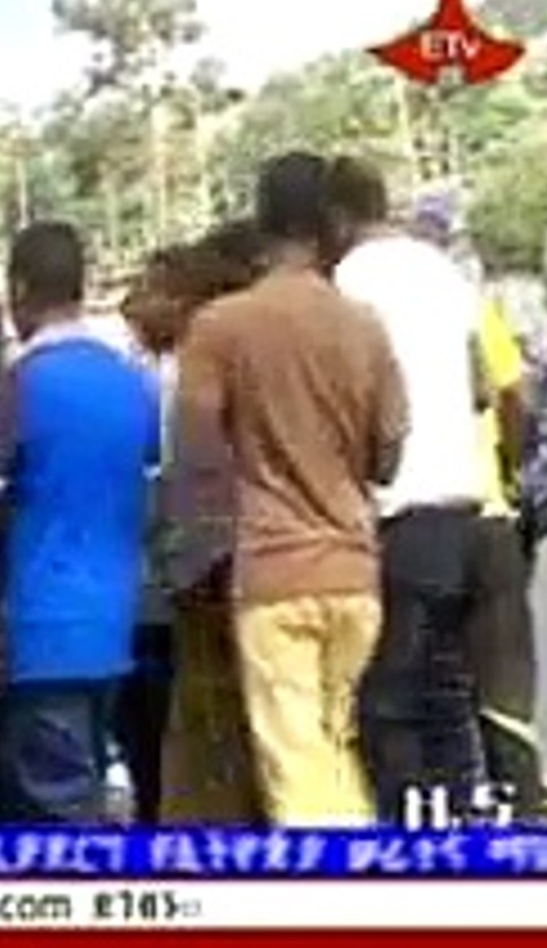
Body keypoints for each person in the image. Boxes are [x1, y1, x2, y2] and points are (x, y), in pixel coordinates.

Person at [176, 152, 408, 826]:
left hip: (273, 576)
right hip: (356, 574)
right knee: (333, 752)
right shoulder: (364, 326)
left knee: (296, 771)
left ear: (262, 222)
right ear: (330, 224)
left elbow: (193, 454)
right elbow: (389, 458)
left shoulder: (221, 327)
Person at [0, 221, 159, 822]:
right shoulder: (135, 383)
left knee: (54, 809)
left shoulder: (18, 384)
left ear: (19, 288)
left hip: (40, 631)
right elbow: (151, 500)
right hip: (115, 626)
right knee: (83, 786)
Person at [328, 166, 490, 824]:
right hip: (463, 503)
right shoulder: (442, 271)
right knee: (447, 689)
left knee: (387, 699)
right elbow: (480, 384)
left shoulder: (349, 282)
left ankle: (403, 844)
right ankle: (463, 825)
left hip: (396, 507)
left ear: (336, 219)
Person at [412, 204, 547, 818]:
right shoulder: (469, 306)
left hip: (416, 521)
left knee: (431, 683)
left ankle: (449, 812)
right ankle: (519, 809)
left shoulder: (385, 317)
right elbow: (516, 393)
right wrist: (514, 467)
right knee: (504, 684)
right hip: (488, 515)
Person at [134, 225, 270, 826]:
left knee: (207, 748)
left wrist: (180, 567)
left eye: (155, 290)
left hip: (211, 574)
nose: (135, 304)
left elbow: (189, 478)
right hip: (244, 568)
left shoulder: (197, 366)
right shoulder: (230, 358)